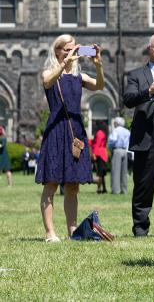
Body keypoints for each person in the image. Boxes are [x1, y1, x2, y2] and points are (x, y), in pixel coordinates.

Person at [37, 34, 104, 241]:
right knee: (51, 183)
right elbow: (47, 81)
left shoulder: (79, 77)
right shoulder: (50, 72)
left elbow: (99, 86)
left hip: (75, 133)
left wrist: (98, 65)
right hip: (56, 132)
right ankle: (50, 232)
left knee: (73, 186)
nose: (71, 52)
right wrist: (65, 63)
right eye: (66, 49)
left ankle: (73, 230)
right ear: (57, 51)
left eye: (74, 48)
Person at [124, 33, 154, 237]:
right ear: (149, 49)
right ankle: (140, 228)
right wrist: (150, 91)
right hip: (146, 138)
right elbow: (128, 99)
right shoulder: (136, 74)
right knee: (144, 186)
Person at [108, 117, 130, 194]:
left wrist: (110, 147)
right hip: (125, 151)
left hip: (117, 150)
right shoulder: (127, 131)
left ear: (117, 123)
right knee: (124, 172)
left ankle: (116, 190)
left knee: (116, 171)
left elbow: (113, 140)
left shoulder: (115, 130)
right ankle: (124, 190)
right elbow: (128, 142)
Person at [91, 123, 108, 194]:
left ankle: (99, 189)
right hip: (103, 153)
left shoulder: (99, 133)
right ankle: (104, 189)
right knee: (102, 173)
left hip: (99, 154)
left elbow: (97, 144)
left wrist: (94, 153)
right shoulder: (103, 133)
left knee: (99, 173)